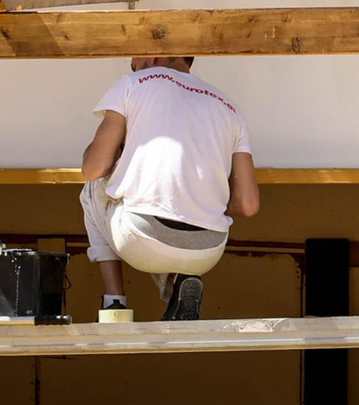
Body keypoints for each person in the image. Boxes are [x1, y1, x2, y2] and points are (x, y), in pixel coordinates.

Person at [81, 56, 259, 321]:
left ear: (150, 55)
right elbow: (248, 204)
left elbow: (93, 168)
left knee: (93, 187)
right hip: (208, 250)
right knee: (172, 210)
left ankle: (114, 302)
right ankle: (182, 280)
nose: (134, 68)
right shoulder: (229, 107)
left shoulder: (133, 84)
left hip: (142, 240)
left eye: (134, 63)